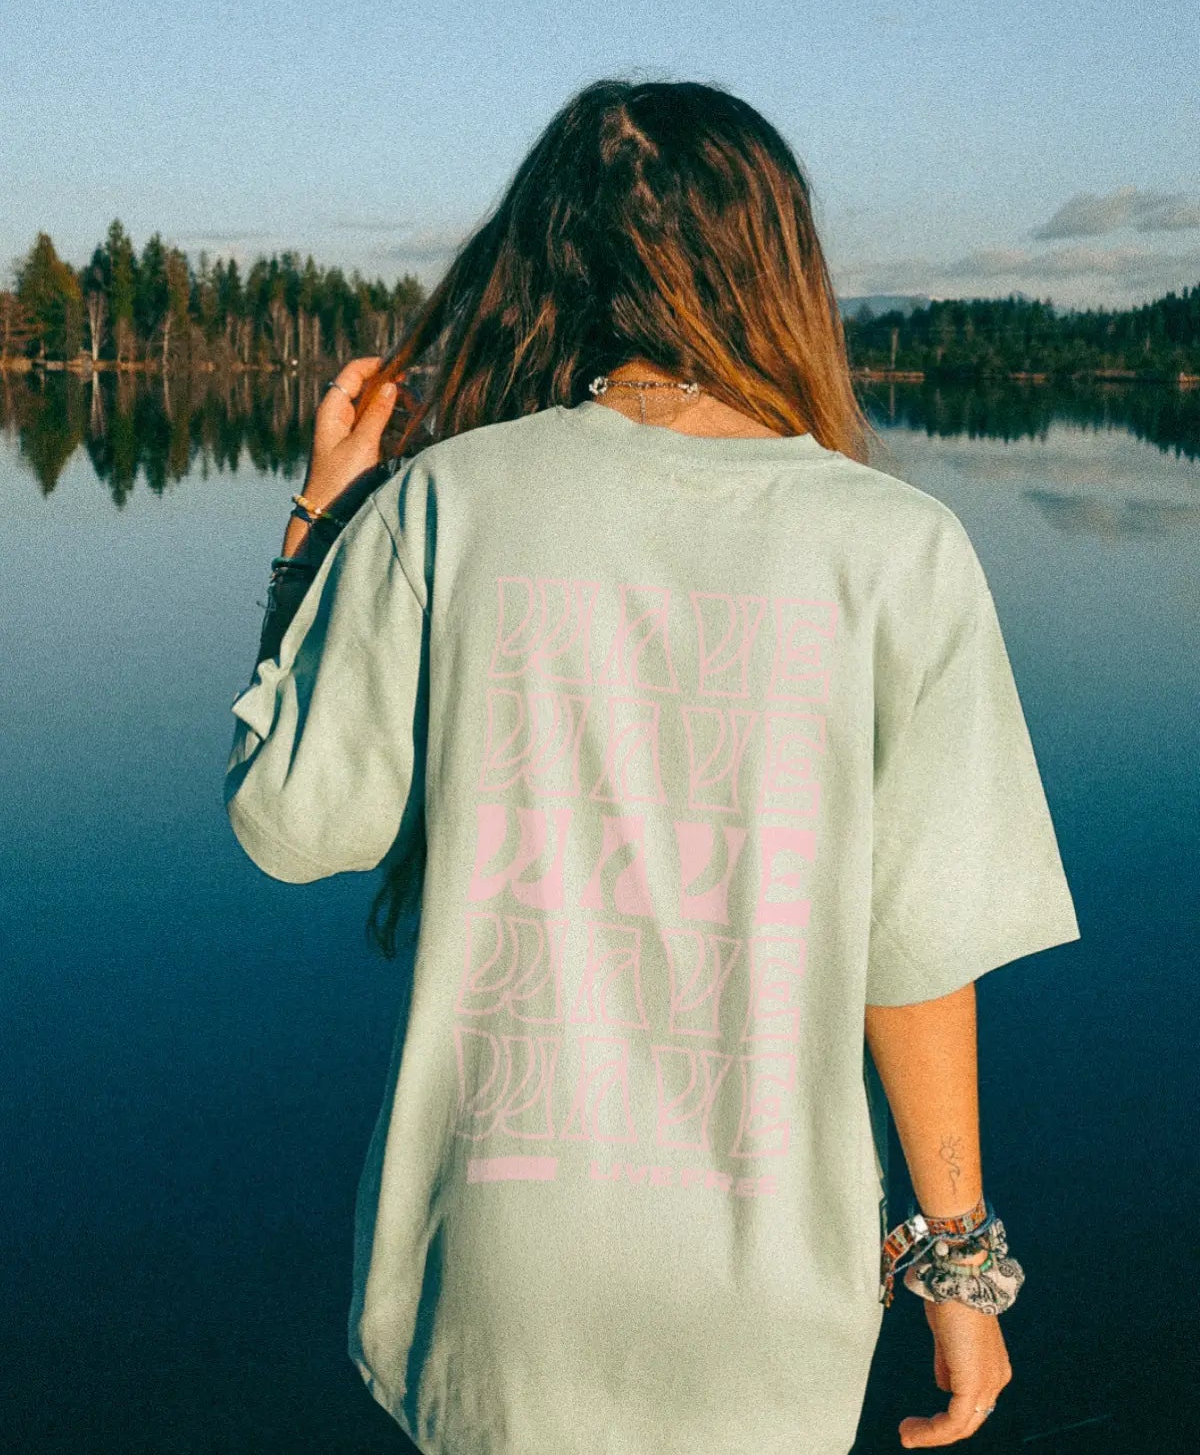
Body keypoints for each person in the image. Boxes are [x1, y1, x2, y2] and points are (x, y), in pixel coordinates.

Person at [224, 78, 1080, 1454]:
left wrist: (320, 517)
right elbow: (917, 964)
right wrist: (959, 1282)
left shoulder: (448, 504)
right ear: (782, 268)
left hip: (507, 1288)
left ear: (549, 269)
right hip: (768, 1302)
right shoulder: (900, 550)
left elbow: (292, 823)